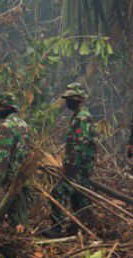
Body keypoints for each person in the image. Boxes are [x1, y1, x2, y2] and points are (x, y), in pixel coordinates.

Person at [46, 82, 97, 236]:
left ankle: (56, 228)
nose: (67, 102)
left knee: (58, 192)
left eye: (70, 98)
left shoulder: (81, 118)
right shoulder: (80, 116)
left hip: (78, 167)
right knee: (78, 195)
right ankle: (85, 225)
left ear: (78, 99)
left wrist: (67, 166)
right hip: (81, 167)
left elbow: (79, 147)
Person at [0, 92, 31, 227]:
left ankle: (19, 242)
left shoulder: (6, 126)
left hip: (11, 177)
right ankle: (23, 237)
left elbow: (2, 156)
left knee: (13, 214)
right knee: (21, 213)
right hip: (24, 174)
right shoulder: (23, 124)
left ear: (6, 108)